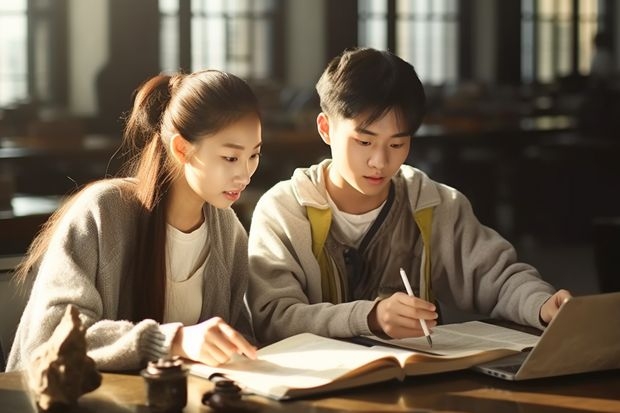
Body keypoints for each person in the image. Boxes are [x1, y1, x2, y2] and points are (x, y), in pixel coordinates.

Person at [247, 47, 571, 345]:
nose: (380, 161)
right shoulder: (284, 210)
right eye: (364, 142)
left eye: (397, 144)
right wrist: (370, 317)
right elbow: (272, 318)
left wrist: (541, 305)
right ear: (325, 128)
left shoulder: (432, 204)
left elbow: (496, 277)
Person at [7, 69, 261, 371]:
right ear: (181, 148)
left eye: (254, 156)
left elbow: (239, 338)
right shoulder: (102, 213)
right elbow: (54, 338)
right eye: (231, 158)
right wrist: (172, 341)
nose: (245, 174)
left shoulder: (228, 231)